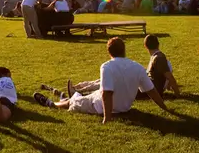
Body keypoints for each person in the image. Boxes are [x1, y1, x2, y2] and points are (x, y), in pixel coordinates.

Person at [33, 37, 170, 123]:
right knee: (85, 95)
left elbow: (107, 93)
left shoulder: (107, 66)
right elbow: (151, 91)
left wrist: (107, 118)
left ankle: (52, 104)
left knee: (74, 102)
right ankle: (69, 96)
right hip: (124, 106)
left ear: (109, 52)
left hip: (99, 106)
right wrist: (164, 107)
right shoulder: (137, 67)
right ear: (124, 50)